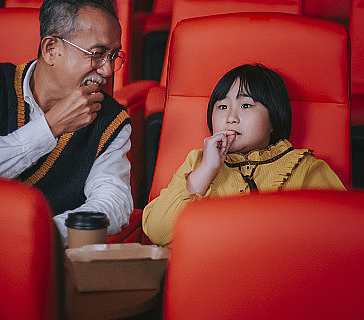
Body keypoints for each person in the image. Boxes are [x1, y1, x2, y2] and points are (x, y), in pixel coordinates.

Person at [0, 0, 133, 246]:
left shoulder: (110, 120)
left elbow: (114, 202)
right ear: (51, 49)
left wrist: (34, 234)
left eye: (113, 56)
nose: (107, 70)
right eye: (97, 54)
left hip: (48, 252)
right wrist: (48, 128)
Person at [142, 63, 345, 245]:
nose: (231, 117)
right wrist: (206, 170)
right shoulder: (197, 163)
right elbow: (157, 232)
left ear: (274, 118)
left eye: (246, 105)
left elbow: (340, 234)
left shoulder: (304, 168)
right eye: (222, 107)